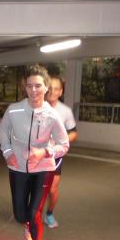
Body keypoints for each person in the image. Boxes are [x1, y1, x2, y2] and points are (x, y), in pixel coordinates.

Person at [0, 65, 70, 240]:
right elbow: (3, 130)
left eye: (38, 86)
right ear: (25, 87)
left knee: (34, 212)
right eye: (29, 86)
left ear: (46, 87)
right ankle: (28, 224)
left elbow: (64, 145)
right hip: (18, 167)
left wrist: (45, 152)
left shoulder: (52, 115)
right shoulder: (14, 110)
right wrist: (8, 153)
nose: (34, 90)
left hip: (44, 168)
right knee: (21, 215)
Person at [43, 75, 78, 228]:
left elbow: (74, 133)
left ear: (61, 92)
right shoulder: (35, 107)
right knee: (35, 188)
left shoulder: (65, 111)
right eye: (49, 88)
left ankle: (49, 214)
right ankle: (32, 216)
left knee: (52, 189)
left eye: (56, 88)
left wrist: (62, 141)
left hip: (55, 156)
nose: (52, 91)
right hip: (36, 154)